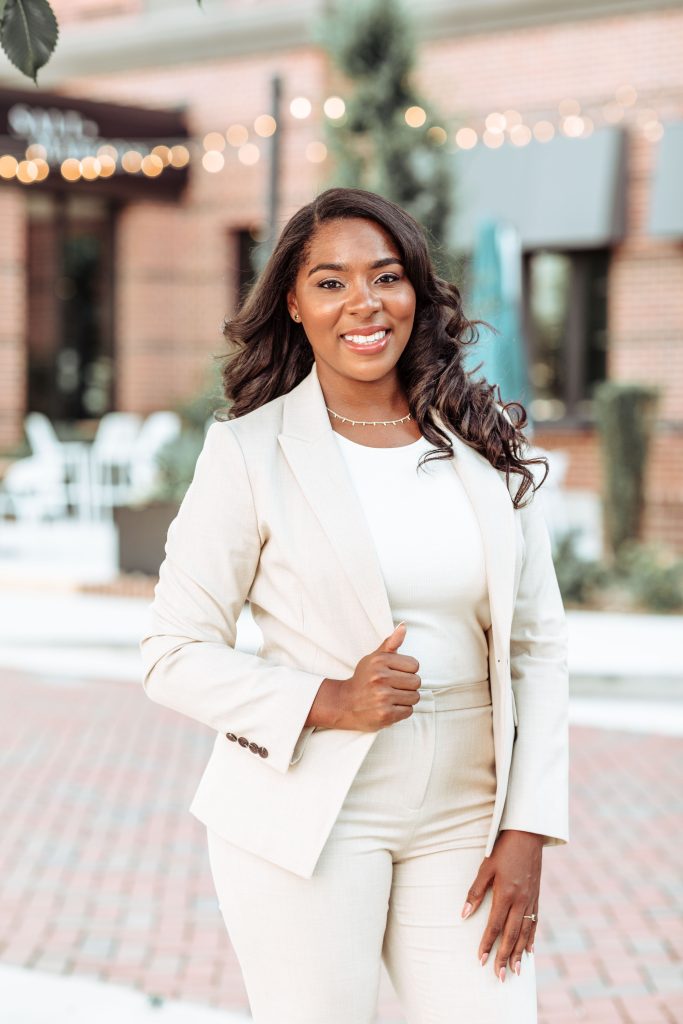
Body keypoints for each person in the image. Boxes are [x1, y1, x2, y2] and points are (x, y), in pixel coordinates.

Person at [139, 186, 569, 1024]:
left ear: (416, 292)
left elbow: (536, 646)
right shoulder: (249, 452)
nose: (363, 303)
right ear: (293, 305)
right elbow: (171, 652)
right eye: (331, 282)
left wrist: (528, 827)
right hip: (308, 806)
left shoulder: (482, 445)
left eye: (385, 276)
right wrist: (327, 701)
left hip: (467, 811)